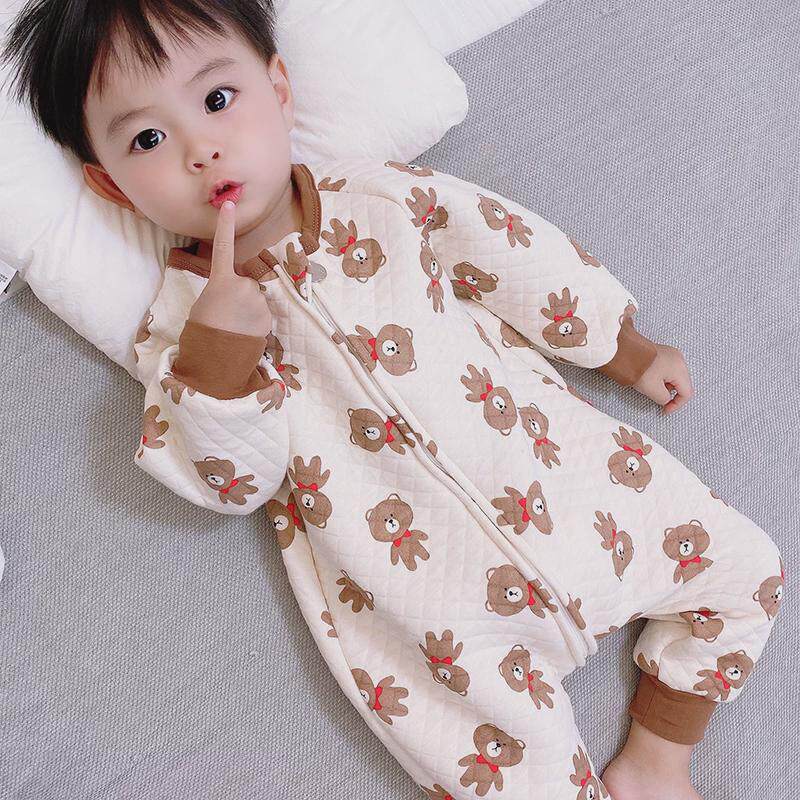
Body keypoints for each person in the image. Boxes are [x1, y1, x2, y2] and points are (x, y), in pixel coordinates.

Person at [1, 2, 785, 798]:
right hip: (429, 606)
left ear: (279, 89)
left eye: (216, 99)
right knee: (502, 775)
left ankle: (656, 760)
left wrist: (623, 347)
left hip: (563, 482)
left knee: (745, 571)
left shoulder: (379, 199)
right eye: (147, 140)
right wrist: (221, 357)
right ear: (112, 186)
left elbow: (510, 252)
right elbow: (228, 483)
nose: (200, 149)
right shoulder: (177, 338)